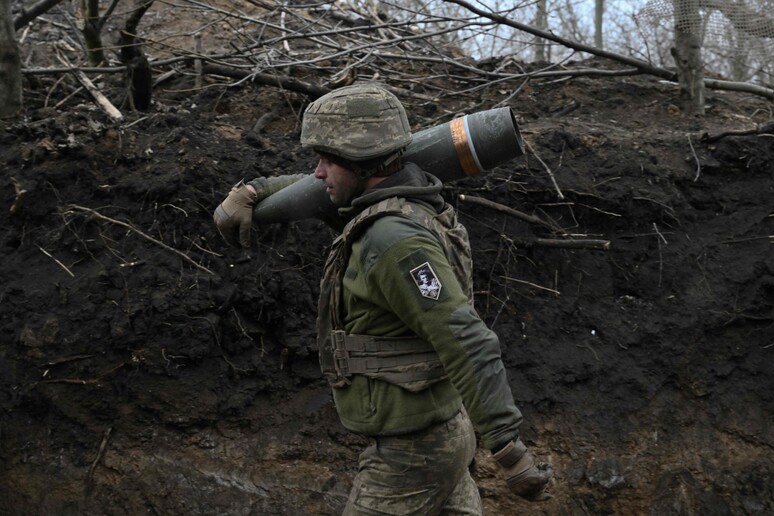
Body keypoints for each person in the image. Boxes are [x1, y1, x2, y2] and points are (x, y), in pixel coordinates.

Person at [214, 84, 553, 514]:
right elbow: (321, 189)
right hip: (437, 432)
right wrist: (257, 191)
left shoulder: (394, 240)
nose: (316, 173)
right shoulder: (395, 196)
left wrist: (509, 451)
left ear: (360, 163)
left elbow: (465, 339)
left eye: (326, 160)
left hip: (412, 456)